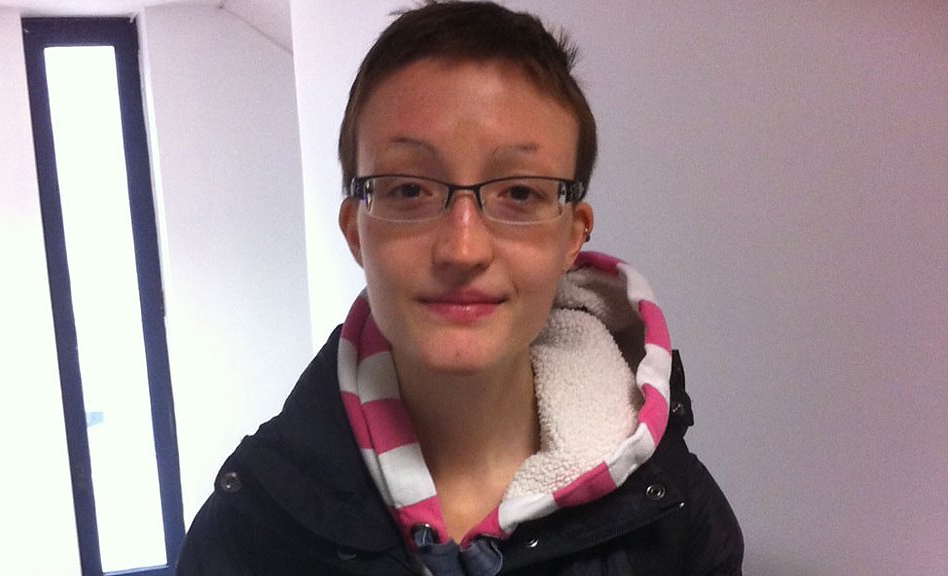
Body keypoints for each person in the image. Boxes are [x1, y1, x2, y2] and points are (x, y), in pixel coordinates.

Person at [176, 2, 743, 575]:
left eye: (519, 193)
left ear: (573, 237)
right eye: (408, 190)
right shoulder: (248, 533)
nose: (463, 249)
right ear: (355, 231)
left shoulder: (677, 522)